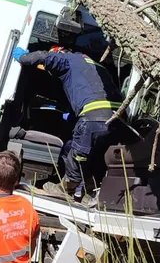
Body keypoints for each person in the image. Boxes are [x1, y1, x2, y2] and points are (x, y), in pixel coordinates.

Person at [12, 45, 123, 203]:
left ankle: (65, 190)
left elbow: (45, 57)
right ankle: (88, 193)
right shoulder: (96, 66)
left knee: (76, 155)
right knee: (89, 155)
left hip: (93, 119)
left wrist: (23, 57)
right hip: (116, 122)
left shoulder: (69, 59)